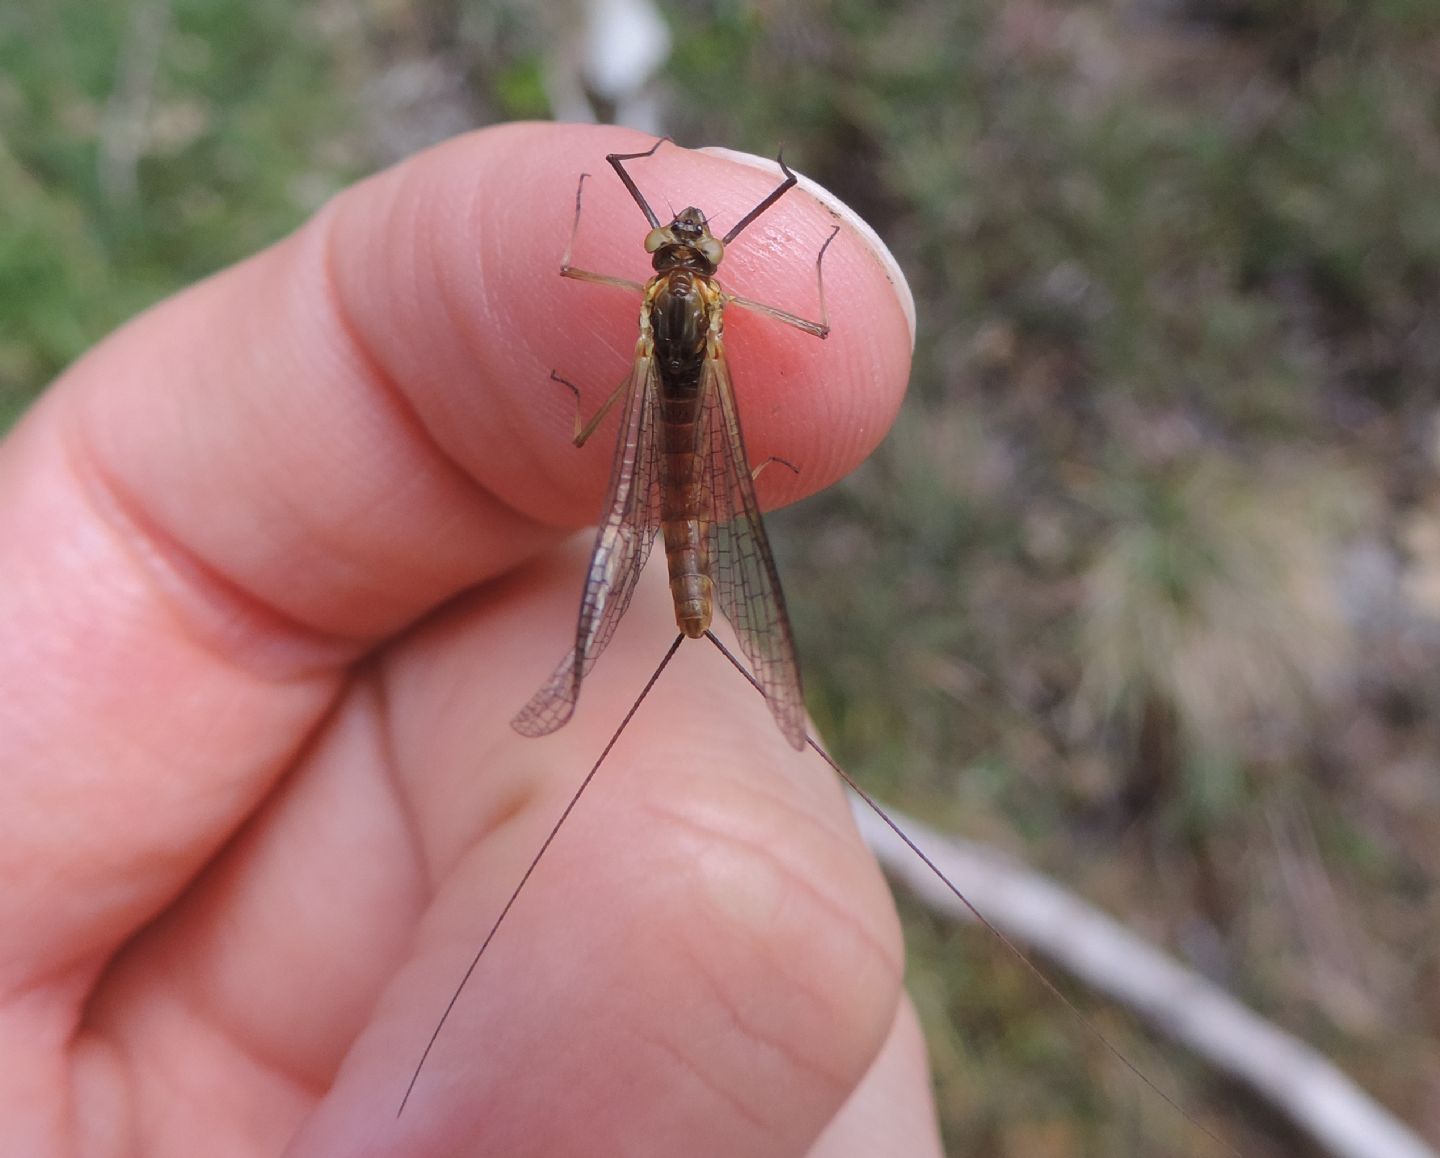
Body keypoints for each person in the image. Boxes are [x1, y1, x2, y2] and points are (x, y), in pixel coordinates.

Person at [0, 121, 935, 1156]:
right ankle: (679, 629)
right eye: (690, 251)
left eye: (688, 250)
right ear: (704, 274)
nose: (689, 249)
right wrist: (797, 230)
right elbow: (804, 327)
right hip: (685, 456)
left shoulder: (659, 302)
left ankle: (684, 626)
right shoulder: (708, 307)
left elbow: (595, 296)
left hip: (675, 447)